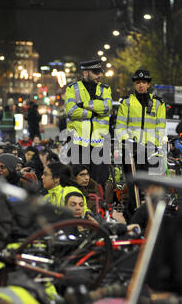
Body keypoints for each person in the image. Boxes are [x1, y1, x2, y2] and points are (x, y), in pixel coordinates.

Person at [115, 68, 166, 215]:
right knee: (133, 188)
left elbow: (160, 126)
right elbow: (120, 127)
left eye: (144, 82)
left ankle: (150, 216)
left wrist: (154, 144)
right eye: (138, 82)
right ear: (134, 85)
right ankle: (133, 216)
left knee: (150, 187)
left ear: (149, 84)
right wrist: (129, 142)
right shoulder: (126, 103)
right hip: (131, 152)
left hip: (151, 152)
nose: (141, 85)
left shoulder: (158, 103)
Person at [63, 59, 112, 189]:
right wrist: (93, 113)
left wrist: (84, 105)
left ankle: (98, 207)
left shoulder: (105, 89)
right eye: (95, 72)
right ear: (85, 72)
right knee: (77, 182)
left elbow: (106, 107)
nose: (99, 75)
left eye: (100, 72)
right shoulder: (72, 88)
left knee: (99, 183)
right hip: (78, 144)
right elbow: (71, 111)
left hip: (99, 144)